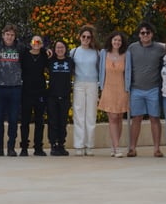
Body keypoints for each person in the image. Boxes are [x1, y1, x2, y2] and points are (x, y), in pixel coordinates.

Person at [127, 22, 165, 157]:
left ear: (152, 34)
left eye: (147, 32)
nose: (145, 35)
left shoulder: (160, 48)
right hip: (136, 89)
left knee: (154, 118)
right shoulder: (132, 48)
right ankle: (132, 148)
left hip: (153, 88)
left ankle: (156, 148)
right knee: (136, 118)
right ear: (139, 35)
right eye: (142, 33)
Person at [0, 24, 24, 157]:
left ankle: (11, 147)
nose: (9, 37)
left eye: (12, 35)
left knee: (13, 119)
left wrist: (46, 50)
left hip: (15, 88)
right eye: (7, 34)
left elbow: (35, 49)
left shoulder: (20, 47)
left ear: (15, 37)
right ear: (3, 35)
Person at [98, 31, 131, 157]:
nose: (117, 42)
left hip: (122, 88)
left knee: (119, 118)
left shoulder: (126, 54)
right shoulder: (103, 53)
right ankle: (117, 147)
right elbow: (100, 69)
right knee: (112, 117)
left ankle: (114, 145)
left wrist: (128, 89)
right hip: (108, 88)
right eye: (115, 40)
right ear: (110, 41)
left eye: (119, 40)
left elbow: (128, 72)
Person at [70, 25, 100, 156]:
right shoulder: (73, 51)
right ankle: (79, 145)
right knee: (78, 114)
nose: (86, 39)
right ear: (80, 37)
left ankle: (89, 145)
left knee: (91, 115)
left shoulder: (97, 53)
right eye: (84, 36)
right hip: (78, 84)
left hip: (93, 84)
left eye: (88, 37)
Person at [19, 35, 49, 156]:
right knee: (25, 121)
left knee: (39, 121)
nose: (36, 43)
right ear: (30, 43)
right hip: (26, 92)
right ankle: (24, 148)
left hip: (40, 92)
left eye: (39, 42)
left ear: (42, 44)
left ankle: (38, 147)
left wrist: (45, 50)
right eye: (34, 41)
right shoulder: (25, 54)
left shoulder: (44, 55)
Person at [47, 40, 74, 155]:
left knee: (63, 122)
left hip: (65, 96)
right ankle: (53, 144)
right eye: (57, 47)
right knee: (53, 121)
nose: (59, 49)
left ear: (65, 49)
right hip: (52, 96)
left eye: (62, 47)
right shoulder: (50, 61)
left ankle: (61, 144)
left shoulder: (70, 61)